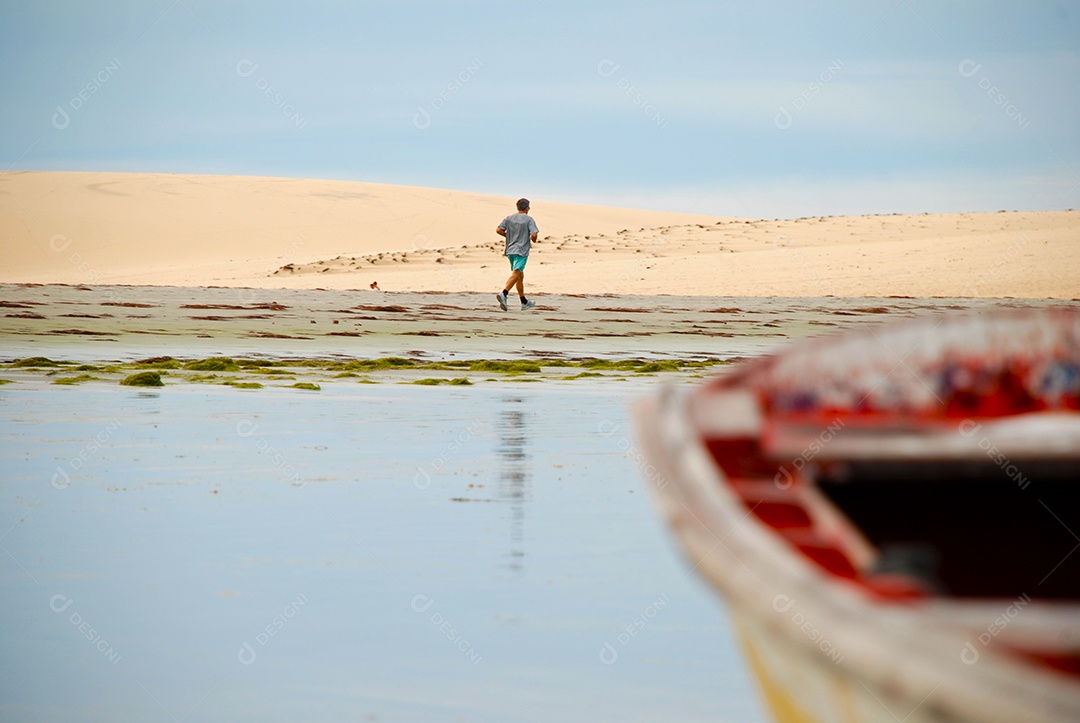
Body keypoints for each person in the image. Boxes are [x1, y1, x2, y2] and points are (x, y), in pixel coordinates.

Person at [496, 198, 538, 311]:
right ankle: (504, 293)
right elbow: (534, 235)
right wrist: (533, 240)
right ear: (527, 208)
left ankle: (523, 301)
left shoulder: (509, 218)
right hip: (521, 250)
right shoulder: (529, 219)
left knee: (519, 275)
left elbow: (498, 230)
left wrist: (509, 237)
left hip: (510, 249)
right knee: (517, 272)